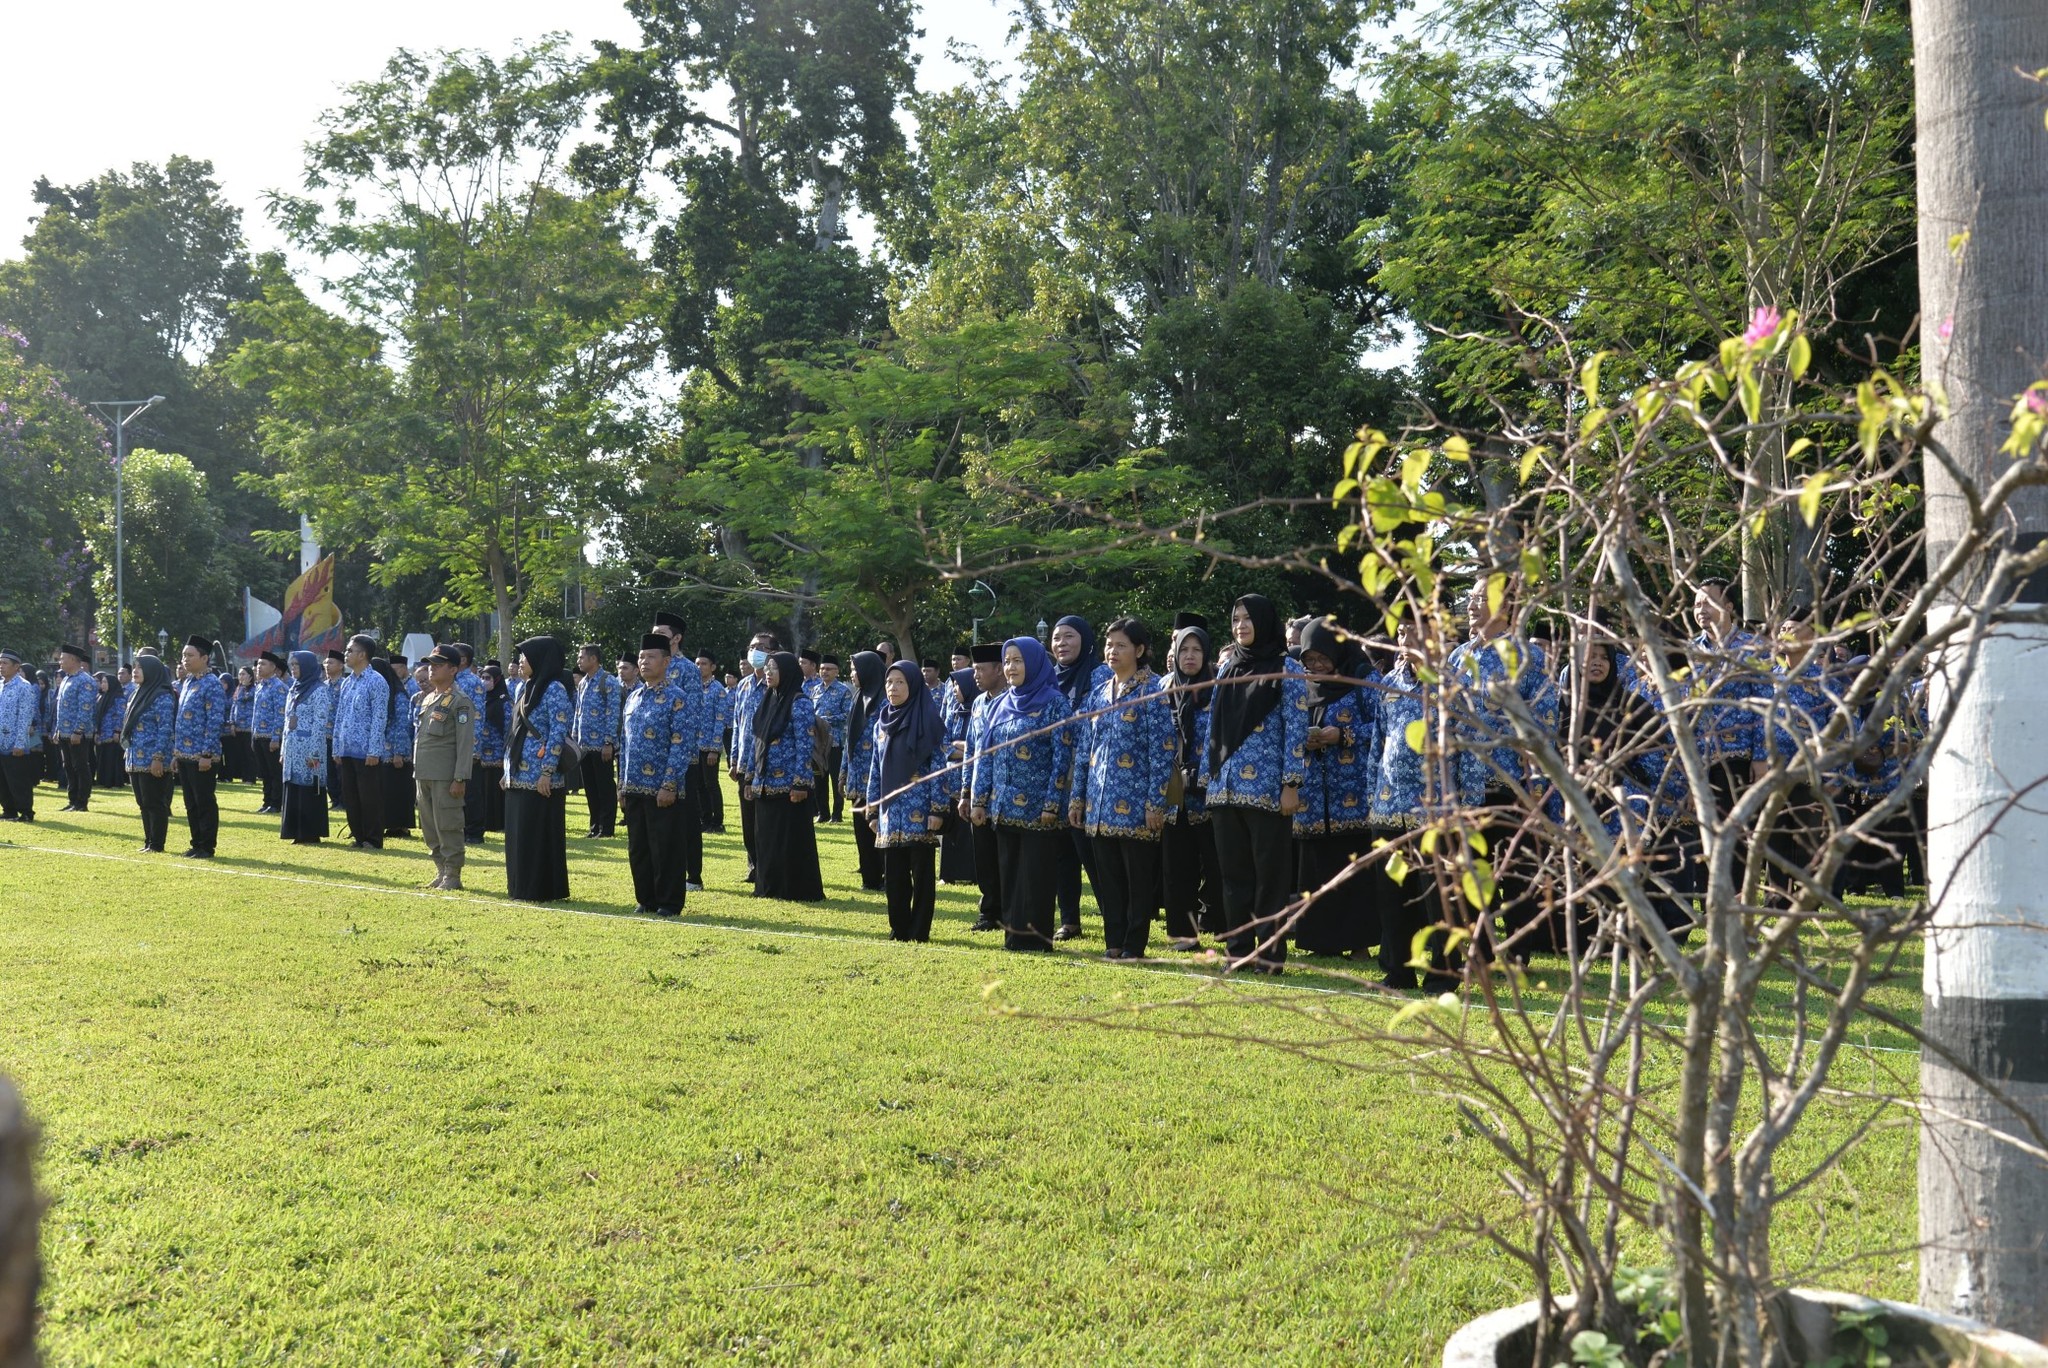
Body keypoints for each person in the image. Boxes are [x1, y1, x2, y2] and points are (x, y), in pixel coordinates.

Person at [1445, 583, 1559, 957]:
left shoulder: (1527, 656)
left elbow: (1545, 722)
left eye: (1482, 598)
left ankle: (1517, 951)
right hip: (1466, 782)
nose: (1473, 604)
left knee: (1515, 870)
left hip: (1512, 781)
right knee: (1471, 870)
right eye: (1472, 598)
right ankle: (1479, 949)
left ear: (1507, 605)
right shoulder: (1459, 656)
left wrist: (1536, 783)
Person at [1202, 594, 1309, 972]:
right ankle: (1238, 951)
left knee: (1270, 878)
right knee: (1234, 877)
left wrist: (1291, 784)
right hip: (1225, 790)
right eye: (1236, 619)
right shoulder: (1227, 669)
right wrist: (1209, 779)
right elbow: (1214, 727)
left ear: (1264, 622)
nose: (1241, 626)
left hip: (1268, 791)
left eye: (1248, 619)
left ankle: (1270, 954)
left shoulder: (1287, 670)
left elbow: (1296, 731)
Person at [1068, 617, 1177, 960]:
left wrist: (1155, 802)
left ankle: (1134, 945)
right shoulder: (1099, 693)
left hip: (1137, 805)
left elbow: (1163, 752)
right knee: (1109, 880)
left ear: (1139, 650)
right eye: (1109, 644)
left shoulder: (1154, 691)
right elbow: (1085, 750)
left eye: (1121, 645)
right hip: (1099, 805)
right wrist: (1077, 798)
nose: (1112, 651)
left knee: (1138, 880)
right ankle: (1113, 942)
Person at [1368, 617, 1465, 990]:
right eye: (1400, 632)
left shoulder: (1452, 685)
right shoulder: (1390, 684)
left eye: (1413, 631)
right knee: (1392, 895)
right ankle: (1398, 968)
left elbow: (1470, 752)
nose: (1405, 638)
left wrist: (1468, 806)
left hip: (1436, 808)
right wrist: (1371, 796)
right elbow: (1378, 744)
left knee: (1438, 895)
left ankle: (1443, 972)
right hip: (1389, 806)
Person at [971, 638, 1076, 952]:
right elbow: (985, 755)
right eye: (1007, 661)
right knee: (1010, 874)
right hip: (1004, 806)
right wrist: (979, 800)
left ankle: (1035, 939)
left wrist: (1052, 803)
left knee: (1035, 875)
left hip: (1038, 809)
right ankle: (1014, 937)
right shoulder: (1000, 704)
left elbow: (1062, 758)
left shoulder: (1054, 703)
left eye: (1018, 661)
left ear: (1033, 663)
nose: (1011, 667)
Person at [1291, 618, 1380, 959]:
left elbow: (1384, 725)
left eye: (1322, 657)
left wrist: (1344, 735)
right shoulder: (1302, 687)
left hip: (1353, 796)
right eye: (1309, 659)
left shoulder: (1362, 680)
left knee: (1354, 870)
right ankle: (1320, 941)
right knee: (1317, 870)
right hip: (1312, 800)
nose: (1316, 666)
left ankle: (1359, 943)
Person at [866, 659, 951, 941]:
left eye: (900, 682)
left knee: (922, 876)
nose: (893, 688)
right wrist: (872, 810)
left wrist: (938, 810)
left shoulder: (930, 722)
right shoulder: (881, 724)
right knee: (894, 876)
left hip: (920, 812)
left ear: (913, 685)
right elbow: (876, 769)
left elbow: (939, 770)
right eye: (889, 682)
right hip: (890, 814)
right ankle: (899, 927)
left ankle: (919, 930)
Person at [618, 633, 694, 916]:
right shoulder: (633, 697)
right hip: (634, 785)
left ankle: (668, 902)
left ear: (666, 662)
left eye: (651, 657)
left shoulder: (677, 698)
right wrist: (621, 784)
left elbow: (681, 744)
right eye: (641, 657)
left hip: (662, 787)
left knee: (665, 847)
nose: (644, 662)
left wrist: (669, 784)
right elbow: (624, 743)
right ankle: (646, 899)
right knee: (638, 847)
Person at [1160, 615, 1223, 950]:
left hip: (1209, 794)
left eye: (1197, 650)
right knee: (1177, 866)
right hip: (1174, 794)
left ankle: (1223, 926)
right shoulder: (1164, 690)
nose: (1189, 656)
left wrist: (1203, 774)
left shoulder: (1218, 690)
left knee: (1217, 865)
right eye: (1184, 649)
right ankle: (1183, 934)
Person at [746, 651, 824, 902]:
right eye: (767, 668)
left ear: (788, 672)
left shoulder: (799, 702)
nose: (768, 672)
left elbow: (805, 746)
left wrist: (800, 783)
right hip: (764, 784)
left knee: (789, 840)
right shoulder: (767, 701)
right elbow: (756, 742)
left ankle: (794, 889)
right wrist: (750, 777)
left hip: (790, 786)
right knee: (766, 839)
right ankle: (768, 887)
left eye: (774, 668)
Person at [1049, 614, 1109, 940]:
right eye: (1057, 638)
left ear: (1085, 640)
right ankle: (1070, 921)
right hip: (1057, 777)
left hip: (1089, 776)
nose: (1062, 643)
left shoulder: (1100, 675)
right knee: (1062, 853)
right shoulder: (1049, 679)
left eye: (1069, 636)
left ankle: (1114, 917)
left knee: (1092, 853)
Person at [502, 637, 573, 903]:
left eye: (525, 656)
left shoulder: (554, 689)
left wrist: (547, 771)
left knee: (536, 833)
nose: (521, 662)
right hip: (518, 773)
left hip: (540, 774)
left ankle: (540, 889)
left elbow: (558, 732)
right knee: (518, 833)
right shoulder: (525, 687)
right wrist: (507, 771)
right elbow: (514, 731)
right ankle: (519, 887)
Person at [412, 645, 475, 889]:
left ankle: (452, 874)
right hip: (424, 772)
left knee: (448, 824)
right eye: (430, 664)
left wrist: (460, 777)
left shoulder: (460, 701)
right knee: (429, 826)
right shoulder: (428, 698)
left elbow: (465, 742)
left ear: (453, 669)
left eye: (438, 665)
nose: (431, 669)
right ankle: (440, 869)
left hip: (445, 775)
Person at [959, 643, 1008, 932]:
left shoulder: (1014, 701)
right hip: (979, 793)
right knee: (985, 857)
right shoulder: (978, 703)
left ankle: (1010, 911)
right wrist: (966, 793)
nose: (975, 675)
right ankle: (989, 912)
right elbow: (970, 750)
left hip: (1005, 793)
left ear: (999, 669)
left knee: (1007, 857)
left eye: (980, 669)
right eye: (974, 669)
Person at [727, 631, 779, 883]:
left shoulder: (776, 684)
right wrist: (734, 758)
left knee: (766, 820)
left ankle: (769, 868)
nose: (754, 651)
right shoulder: (744, 685)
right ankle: (753, 865)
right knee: (748, 820)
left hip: (768, 764)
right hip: (744, 764)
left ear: (773, 653)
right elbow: (738, 724)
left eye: (761, 647)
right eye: (752, 647)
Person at [332, 635, 392, 850]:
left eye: (350, 650)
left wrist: (374, 750)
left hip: (366, 750)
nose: (346, 654)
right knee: (351, 796)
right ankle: (358, 836)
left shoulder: (376, 681)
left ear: (362, 655)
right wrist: (337, 747)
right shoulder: (347, 682)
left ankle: (373, 839)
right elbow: (340, 716)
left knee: (369, 796)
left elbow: (379, 718)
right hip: (347, 748)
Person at [172, 636, 228, 859]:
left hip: (202, 754)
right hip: (184, 753)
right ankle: (196, 843)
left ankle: (206, 845)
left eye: (190, 655)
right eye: (183, 655)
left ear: (204, 658)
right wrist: (176, 752)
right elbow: (180, 720)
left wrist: (207, 753)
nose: (185, 659)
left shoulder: (211, 683)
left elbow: (214, 721)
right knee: (190, 802)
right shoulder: (188, 682)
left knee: (204, 800)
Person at [120, 652, 178, 852]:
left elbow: (165, 729)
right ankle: (148, 841)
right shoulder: (138, 693)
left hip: (152, 757)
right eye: (134, 667)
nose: (134, 671)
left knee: (154, 802)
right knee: (142, 802)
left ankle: (157, 843)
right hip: (135, 756)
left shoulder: (162, 696)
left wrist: (158, 757)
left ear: (152, 671)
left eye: (140, 668)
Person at [840, 651, 887, 891]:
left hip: (879, 782)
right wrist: (844, 772)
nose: (852, 674)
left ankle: (887, 876)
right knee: (862, 831)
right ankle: (870, 878)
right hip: (858, 780)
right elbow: (848, 740)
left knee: (879, 829)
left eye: (855, 670)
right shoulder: (857, 699)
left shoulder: (885, 702)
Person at [279, 649, 334, 846]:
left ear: (307, 667)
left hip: (309, 749)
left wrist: (314, 754)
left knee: (308, 788)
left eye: (297, 665)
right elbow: (286, 721)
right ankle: (295, 831)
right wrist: (283, 750)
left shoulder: (319, 691)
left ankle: (310, 832)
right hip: (292, 749)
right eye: (292, 665)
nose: (293, 669)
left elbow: (320, 724)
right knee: (294, 787)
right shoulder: (294, 689)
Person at [574, 643, 621, 839]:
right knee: (591, 788)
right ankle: (594, 826)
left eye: (582, 657)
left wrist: (609, 742)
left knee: (605, 787)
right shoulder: (583, 683)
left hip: (601, 745)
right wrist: (575, 738)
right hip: (585, 745)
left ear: (593, 659)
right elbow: (578, 712)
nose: (578, 661)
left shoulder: (608, 681)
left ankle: (606, 827)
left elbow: (613, 713)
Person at [937, 665, 978, 886]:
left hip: (972, 781)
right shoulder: (954, 713)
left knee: (968, 829)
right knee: (951, 827)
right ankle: (948, 873)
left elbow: (981, 748)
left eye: (957, 685)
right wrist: (965, 750)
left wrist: (964, 748)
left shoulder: (981, 711)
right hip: (951, 780)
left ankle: (971, 873)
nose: (954, 690)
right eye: (952, 685)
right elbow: (942, 744)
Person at [449, 644, 492, 843]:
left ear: (463, 660)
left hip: (468, 746)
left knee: (471, 792)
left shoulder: (473, 682)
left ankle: (474, 832)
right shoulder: (451, 680)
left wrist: (473, 748)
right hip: (451, 744)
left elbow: (477, 717)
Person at [376, 657, 415, 840]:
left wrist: (399, 752)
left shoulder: (399, 695)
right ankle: (388, 823)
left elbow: (402, 725)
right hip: (382, 751)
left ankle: (400, 826)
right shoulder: (382, 693)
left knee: (398, 790)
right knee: (386, 791)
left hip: (396, 752)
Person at [54, 643, 96, 811]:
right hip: (64, 732)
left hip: (78, 733)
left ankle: (81, 802)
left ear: (73, 660)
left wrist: (78, 730)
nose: (60, 662)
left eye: (62, 658)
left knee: (80, 766)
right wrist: (57, 730)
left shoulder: (85, 680)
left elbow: (85, 708)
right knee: (68, 766)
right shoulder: (66, 679)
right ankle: (72, 800)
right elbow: (61, 708)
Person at [812, 655, 852, 821]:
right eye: (822, 668)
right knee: (818, 778)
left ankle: (837, 814)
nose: (824, 672)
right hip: (817, 742)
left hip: (835, 741)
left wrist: (826, 720)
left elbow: (848, 714)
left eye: (828, 669)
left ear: (836, 671)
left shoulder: (843, 691)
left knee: (836, 779)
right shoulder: (815, 690)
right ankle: (823, 813)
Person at [0, 650, 38, 822]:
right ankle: (9, 810)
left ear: (16, 667)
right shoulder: (1, 685)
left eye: (5, 663)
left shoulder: (24, 686)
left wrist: (20, 743)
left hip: (15, 743)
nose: (1, 666)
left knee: (18, 780)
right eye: (0, 663)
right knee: (3, 780)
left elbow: (25, 718)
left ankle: (26, 812)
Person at [694, 650, 728, 834]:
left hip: (709, 745)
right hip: (695, 745)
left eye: (704, 664)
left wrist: (715, 749)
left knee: (711, 784)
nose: (700, 667)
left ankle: (717, 821)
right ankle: (704, 819)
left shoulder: (718, 690)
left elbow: (720, 720)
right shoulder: (693, 687)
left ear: (712, 667)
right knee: (698, 784)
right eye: (697, 664)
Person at [251, 652, 287, 812]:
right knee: (264, 772)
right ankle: (266, 802)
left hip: (271, 736)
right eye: (258, 664)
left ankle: (276, 803)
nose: (259, 667)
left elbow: (280, 714)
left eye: (263, 664)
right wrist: (253, 736)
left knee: (275, 772)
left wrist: (276, 737)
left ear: (273, 667)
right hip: (258, 735)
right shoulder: (259, 686)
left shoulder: (279, 687)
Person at [479, 663, 510, 835]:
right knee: (483, 789)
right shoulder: (481, 699)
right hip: (482, 753)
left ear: (497, 680)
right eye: (482, 677)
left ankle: (499, 822)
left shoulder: (504, 702)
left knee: (496, 790)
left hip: (498, 754)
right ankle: (485, 821)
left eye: (488, 678)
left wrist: (504, 755)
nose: (484, 681)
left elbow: (508, 730)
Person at [92, 669, 125, 788]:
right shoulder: (100, 697)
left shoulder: (118, 698)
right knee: (102, 757)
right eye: (102, 682)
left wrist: (117, 731)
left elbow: (121, 715)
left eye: (105, 682)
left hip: (112, 733)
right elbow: (97, 715)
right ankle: (103, 780)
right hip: (102, 732)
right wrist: (97, 731)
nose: (103, 684)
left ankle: (114, 781)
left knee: (112, 758)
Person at [225, 664, 256, 785]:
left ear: (250, 676)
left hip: (249, 727)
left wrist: (244, 686)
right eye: (239, 674)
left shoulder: (254, 689)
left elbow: (246, 697)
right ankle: (243, 776)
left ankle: (250, 778)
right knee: (241, 754)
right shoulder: (238, 689)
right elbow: (234, 706)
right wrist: (232, 723)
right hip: (238, 727)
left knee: (249, 754)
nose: (241, 677)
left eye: (243, 674)